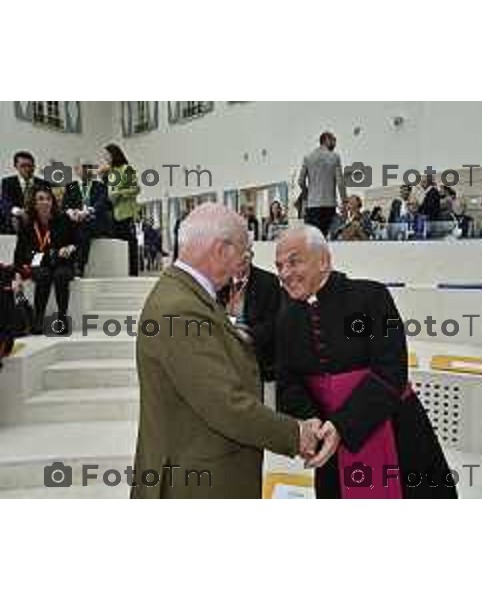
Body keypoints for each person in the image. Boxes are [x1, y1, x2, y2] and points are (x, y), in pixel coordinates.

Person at [131, 204, 325, 499]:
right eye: (243, 253)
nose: (242, 263)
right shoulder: (180, 309)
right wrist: (296, 434)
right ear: (221, 250)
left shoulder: (186, 295)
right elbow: (225, 405)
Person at [274, 225, 457, 499]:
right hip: (330, 440)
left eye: (294, 262)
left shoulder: (372, 297)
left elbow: (391, 371)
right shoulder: (287, 319)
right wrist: (309, 419)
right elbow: (289, 382)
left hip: (394, 429)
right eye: (279, 266)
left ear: (323, 260)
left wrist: (342, 425)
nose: (284, 274)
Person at [12, 187, 77, 335]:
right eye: (41, 199)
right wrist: (17, 274)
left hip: (61, 261)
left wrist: (69, 248)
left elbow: (75, 242)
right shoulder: (28, 224)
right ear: (34, 204)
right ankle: (38, 319)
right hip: (39, 263)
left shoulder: (62, 219)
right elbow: (19, 251)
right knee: (43, 276)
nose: (45, 202)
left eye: (48, 199)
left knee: (61, 276)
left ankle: (62, 318)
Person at [217, 242, 281, 382]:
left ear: (251, 257)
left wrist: (246, 336)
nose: (241, 263)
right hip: (225, 346)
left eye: (245, 258)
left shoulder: (268, 282)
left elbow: (272, 323)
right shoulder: (219, 280)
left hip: (254, 348)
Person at [62, 160, 113, 276]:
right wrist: (71, 212)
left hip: (95, 223)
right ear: (76, 170)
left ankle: (79, 265)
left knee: (83, 227)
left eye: (89, 167)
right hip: (76, 221)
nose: (87, 170)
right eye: (84, 167)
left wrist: (87, 212)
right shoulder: (70, 186)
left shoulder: (100, 186)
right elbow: (65, 205)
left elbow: (101, 204)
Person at [98, 144, 140, 276]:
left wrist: (120, 193)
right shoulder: (112, 172)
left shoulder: (125, 169)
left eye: (107, 155)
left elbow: (135, 189)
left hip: (125, 212)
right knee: (119, 244)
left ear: (114, 154)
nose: (105, 158)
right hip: (114, 213)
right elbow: (109, 190)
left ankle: (133, 273)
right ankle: (123, 272)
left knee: (129, 243)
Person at [298, 131, 347, 236]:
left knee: (313, 239)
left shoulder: (308, 157)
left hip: (312, 206)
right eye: (334, 140)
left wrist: (307, 192)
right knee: (326, 239)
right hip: (329, 205)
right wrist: (344, 202)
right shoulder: (334, 157)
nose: (335, 144)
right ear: (326, 140)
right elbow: (340, 182)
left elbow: (300, 181)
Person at [1, 151, 48, 234]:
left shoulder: (43, 183)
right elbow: (5, 202)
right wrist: (19, 211)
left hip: (36, 217)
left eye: (30, 166)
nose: (27, 169)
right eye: (23, 166)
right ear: (16, 166)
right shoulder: (8, 182)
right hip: (16, 218)